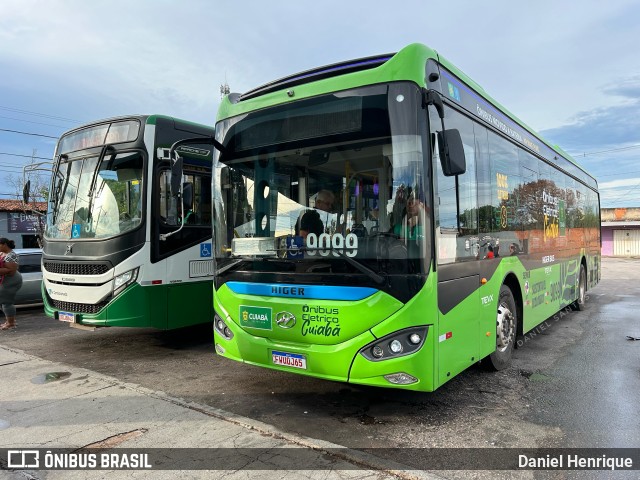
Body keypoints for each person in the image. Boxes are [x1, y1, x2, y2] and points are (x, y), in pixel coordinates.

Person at [0, 238, 23, 330]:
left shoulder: (12, 255)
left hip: (11, 280)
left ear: (4, 244)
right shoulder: (2, 253)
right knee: (2, 302)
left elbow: (11, 271)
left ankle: (11, 323)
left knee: (6, 302)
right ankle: (9, 320)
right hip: (4, 280)